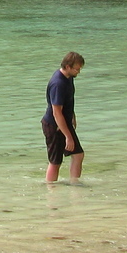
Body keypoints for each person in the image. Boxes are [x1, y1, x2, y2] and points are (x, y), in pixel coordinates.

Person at [42, 51, 84, 183]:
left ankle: (74, 184)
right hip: (54, 126)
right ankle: (51, 189)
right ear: (67, 67)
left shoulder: (69, 77)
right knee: (55, 162)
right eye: (76, 69)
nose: (78, 72)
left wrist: (72, 116)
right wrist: (68, 137)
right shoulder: (58, 84)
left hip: (64, 123)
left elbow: (68, 101)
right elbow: (56, 112)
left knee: (78, 155)